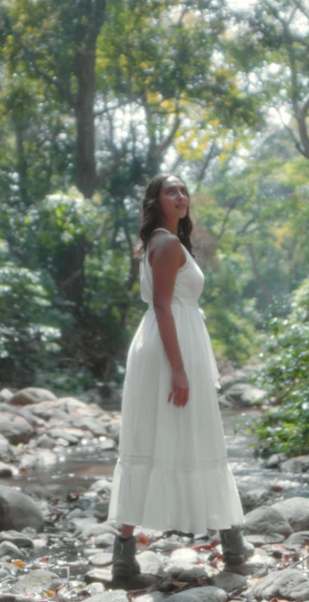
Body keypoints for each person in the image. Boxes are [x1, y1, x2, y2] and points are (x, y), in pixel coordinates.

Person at [106, 173, 246, 581]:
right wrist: (180, 369)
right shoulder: (166, 244)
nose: (181, 196)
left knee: (153, 437)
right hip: (171, 347)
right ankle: (233, 544)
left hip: (165, 342)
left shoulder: (162, 241)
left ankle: (124, 556)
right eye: (171, 190)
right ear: (156, 200)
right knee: (200, 433)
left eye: (183, 190)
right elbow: (165, 307)